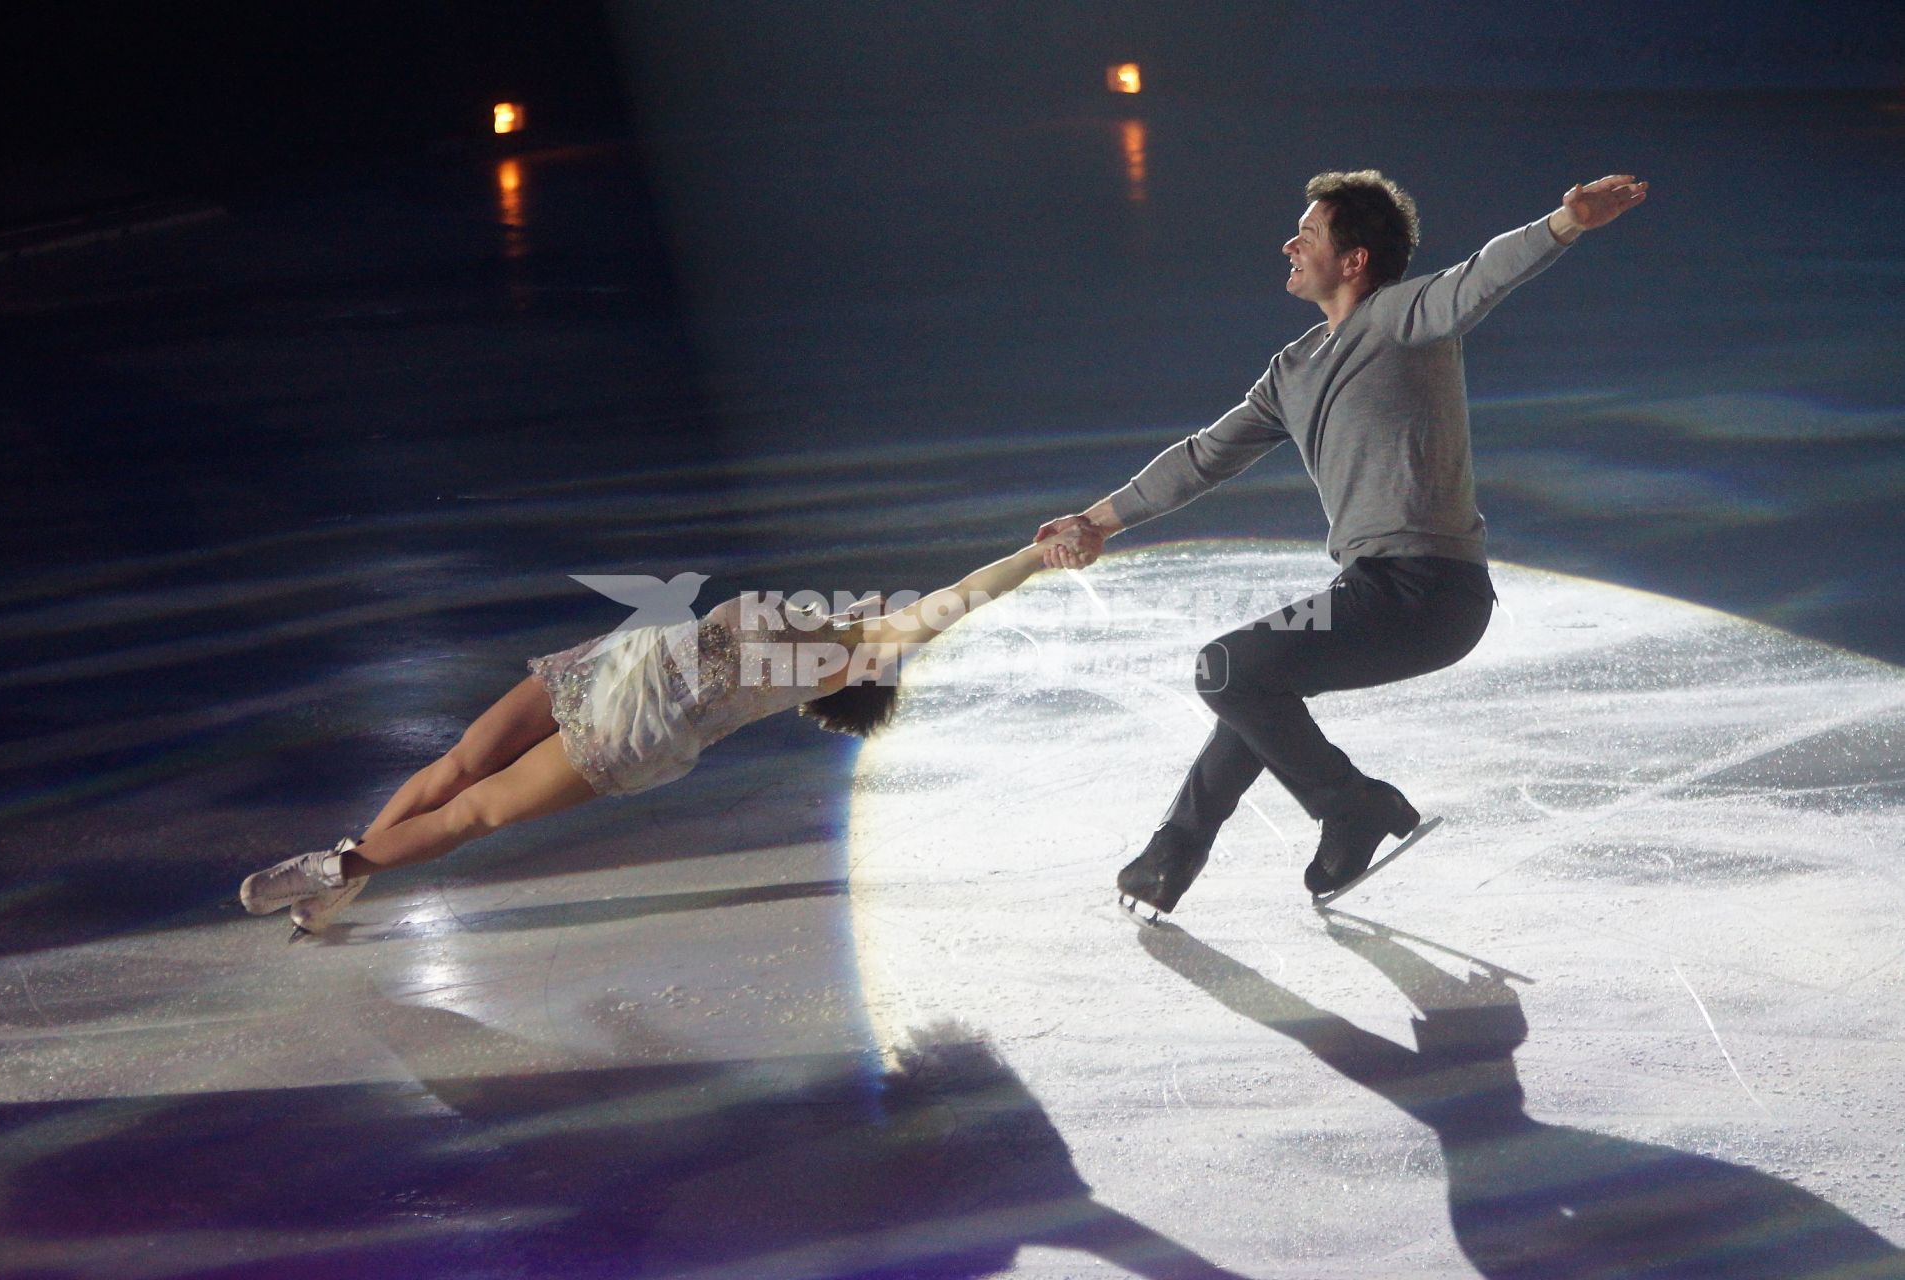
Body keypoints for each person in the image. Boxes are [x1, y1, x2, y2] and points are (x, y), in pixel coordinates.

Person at [1036, 171, 1648, 909]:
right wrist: (1096, 522)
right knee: (1250, 683)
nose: (1290, 244)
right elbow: (1204, 455)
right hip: (1367, 592)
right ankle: (1172, 856)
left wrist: (1564, 221)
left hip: (1430, 593)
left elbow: (1478, 279)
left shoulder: (1401, 317)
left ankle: (1350, 805)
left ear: (1355, 260)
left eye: (1312, 234)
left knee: (1228, 668)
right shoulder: (1293, 369)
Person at [240, 527, 1091, 935]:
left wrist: (1033, 551)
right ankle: (358, 871)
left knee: (475, 815)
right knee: (459, 761)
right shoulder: (815, 620)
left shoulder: (855, 651)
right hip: (612, 662)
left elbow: (963, 594)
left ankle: (332, 866)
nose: (882, 602)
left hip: (637, 725)